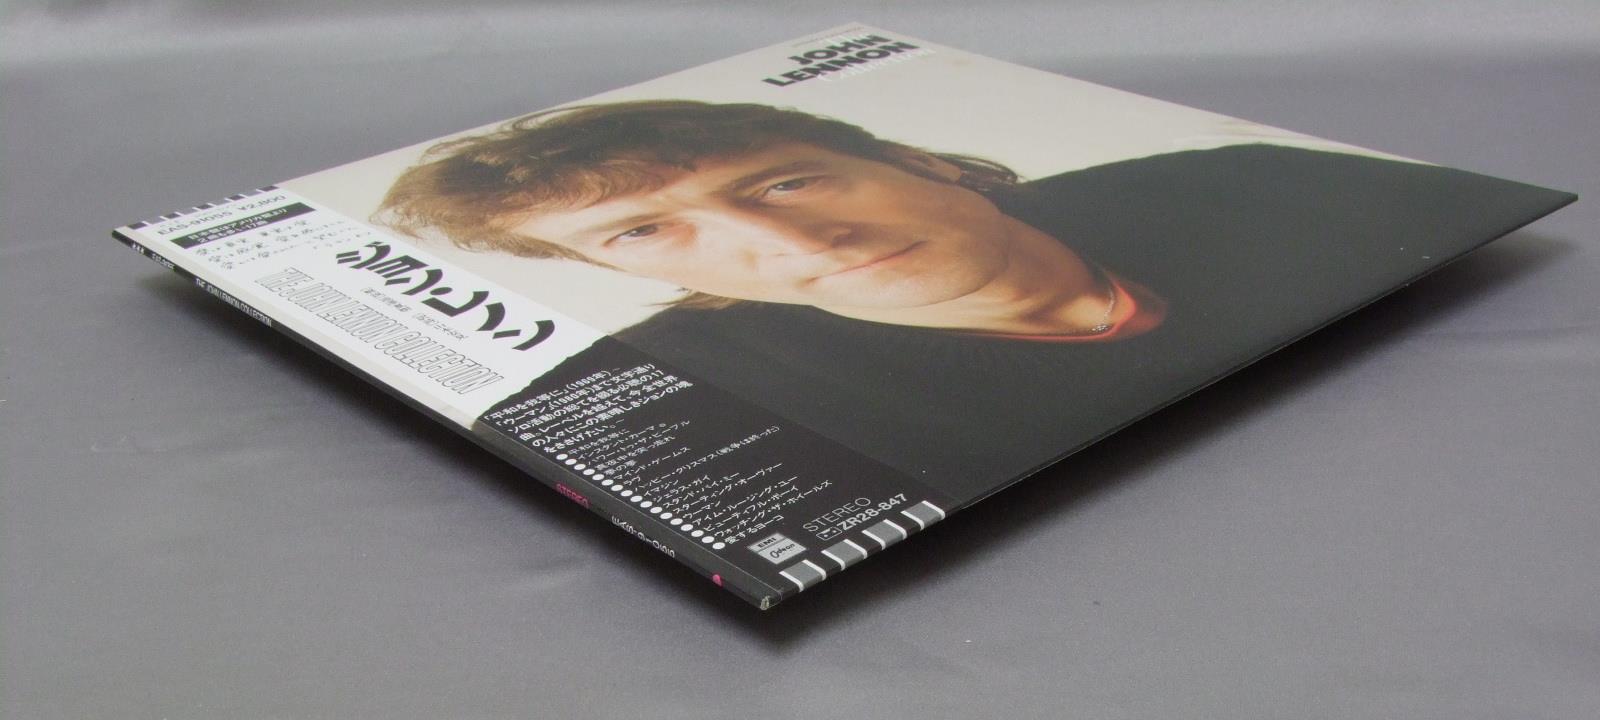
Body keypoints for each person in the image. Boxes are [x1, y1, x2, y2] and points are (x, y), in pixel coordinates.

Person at [378, 100, 1570, 500]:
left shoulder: (1255, 183)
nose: (788, 238)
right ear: (631, 273)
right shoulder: (668, 411)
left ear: (923, 162)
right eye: (643, 229)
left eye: (785, 180)